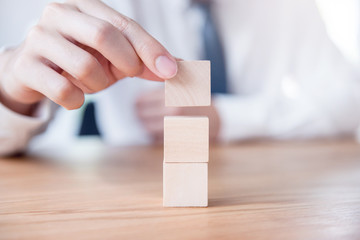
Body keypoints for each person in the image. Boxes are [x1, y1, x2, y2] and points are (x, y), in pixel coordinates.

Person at [1, 0, 360, 157]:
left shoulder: (287, 6)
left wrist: (227, 117)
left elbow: (351, 101)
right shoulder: (94, 5)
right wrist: (11, 94)